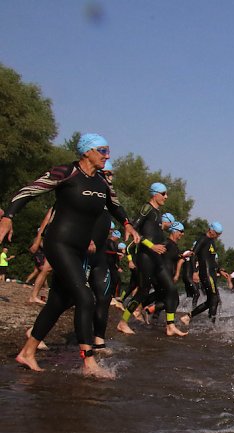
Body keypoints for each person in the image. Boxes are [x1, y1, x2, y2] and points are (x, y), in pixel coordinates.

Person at [0, 133, 140, 377]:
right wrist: (8, 216)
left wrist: (127, 224)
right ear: (87, 151)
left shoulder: (101, 182)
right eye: (103, 151)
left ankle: (27, 352)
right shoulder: (66, 172)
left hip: (79, 248)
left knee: (59, 301)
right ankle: (89, 362)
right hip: (59, 243)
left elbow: (115, 205)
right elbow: (28, 191)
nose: (107, 156)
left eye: (108, 151)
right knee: (85, 298)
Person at [117, 183, 186, 336]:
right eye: (164, 193)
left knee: (171, 289)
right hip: (145, 256)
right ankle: (123, 322)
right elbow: (133, 229)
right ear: (155, 194)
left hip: (156, 258)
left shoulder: (158, 213)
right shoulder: (147, 208)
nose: (166, 197)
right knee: (142, 291)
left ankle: (170, 325)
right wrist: (152, 246)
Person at [184, 221, 224, 325]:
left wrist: (220, 270)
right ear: (211, 230)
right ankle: (212, 325)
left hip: (211, 273)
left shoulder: (211, 241)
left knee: (212, 300)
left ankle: (189, 317)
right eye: (217, 234)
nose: (218, 236)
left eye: (219, 234)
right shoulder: (203, 239)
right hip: (206, 273)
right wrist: (195, 272)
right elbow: (193, 255)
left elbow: (212, 260)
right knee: (214, 299)